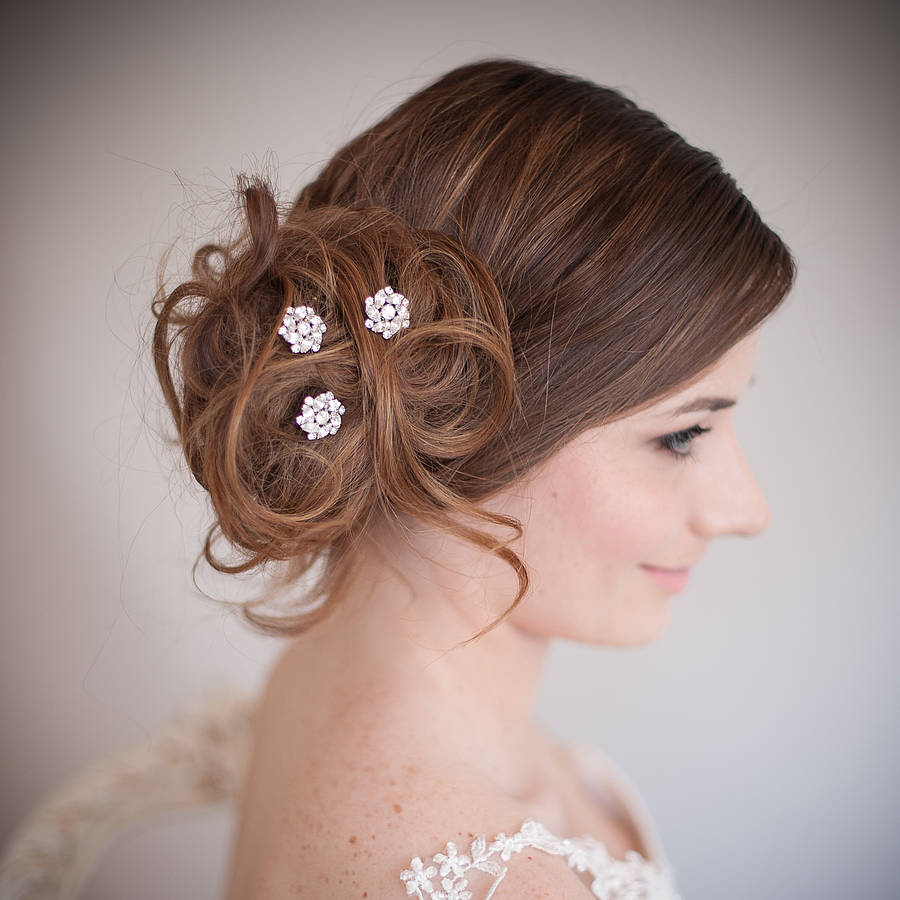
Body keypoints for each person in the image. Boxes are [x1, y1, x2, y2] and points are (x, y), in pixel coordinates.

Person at [151, 58, 795, 899]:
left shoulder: (331, 673)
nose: (746, 511)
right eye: (681, 436)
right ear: (460, 413)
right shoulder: (494, 876)